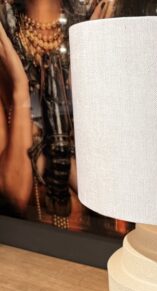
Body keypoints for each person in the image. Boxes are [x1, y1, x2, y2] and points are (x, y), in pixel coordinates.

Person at [0, 0, 122, 232]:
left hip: (96, 239)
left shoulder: (94, 22)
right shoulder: (6, 45)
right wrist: (20, 89)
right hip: (25, 244)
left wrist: (83, 74)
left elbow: (114, 187)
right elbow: (15, 195)